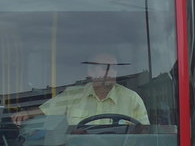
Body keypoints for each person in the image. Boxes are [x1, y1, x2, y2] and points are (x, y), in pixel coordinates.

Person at [13, 52, 149, 128]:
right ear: (90, 71)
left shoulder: (132, 98)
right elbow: (45, 111)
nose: (111, 72)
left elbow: (144, 134)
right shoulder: (72, 95)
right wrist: (26, 113)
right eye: (105, 68)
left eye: (114, 68)